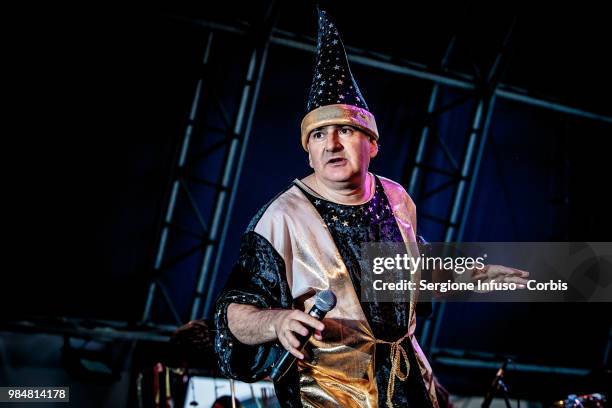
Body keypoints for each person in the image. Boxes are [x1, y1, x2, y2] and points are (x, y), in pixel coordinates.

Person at [214, 8, 528, 408]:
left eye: (345, 131)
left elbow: (410, 272)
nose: (331, 145)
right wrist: (277, 321)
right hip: (330, 394)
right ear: (308, 152)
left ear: (373, 143)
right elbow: (233, 312)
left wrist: (481, 274)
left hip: (408, 387)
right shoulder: (280, 219)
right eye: (319, 135)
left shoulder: (396, 198)